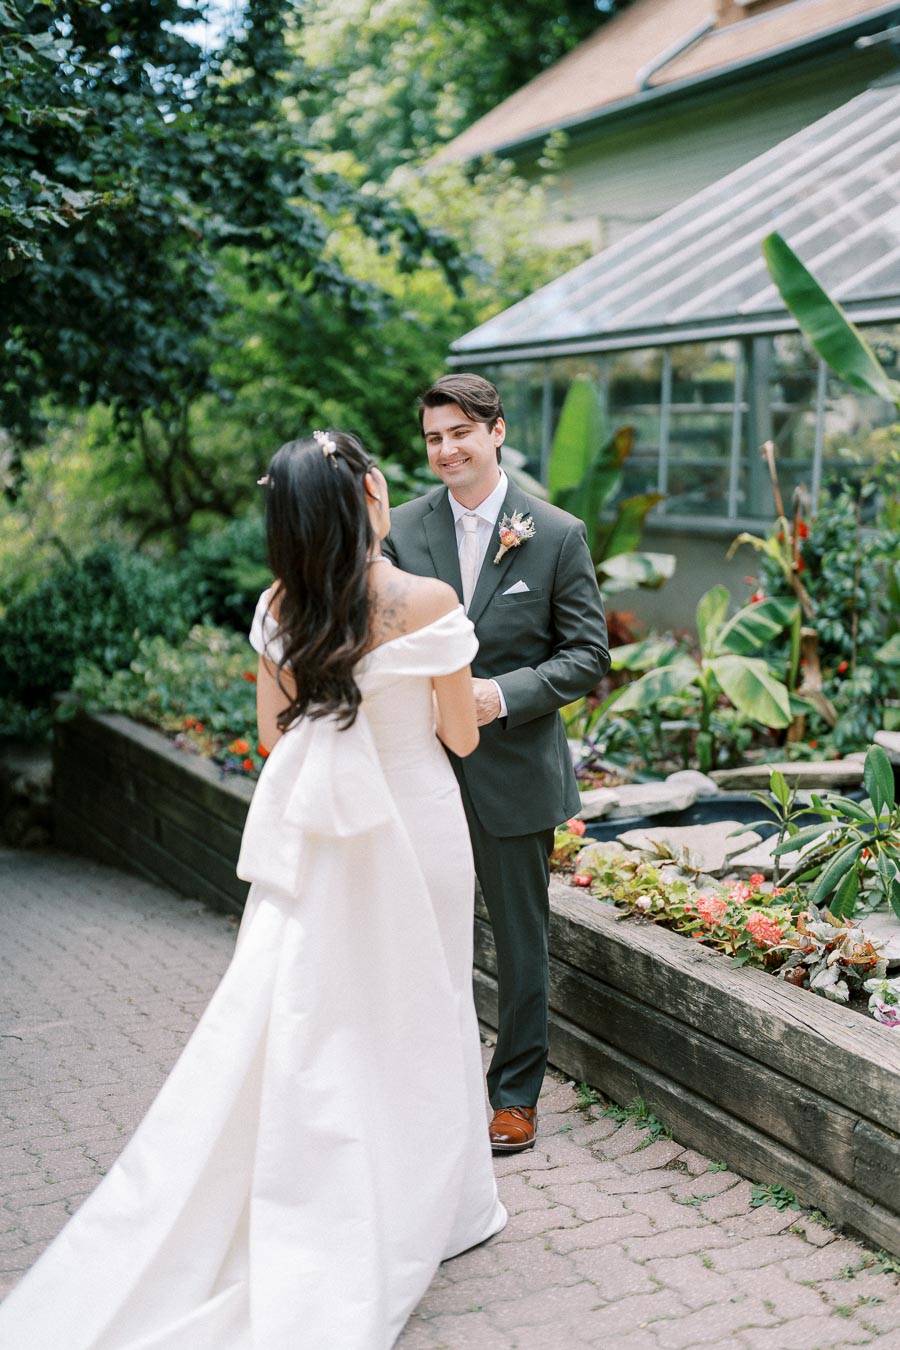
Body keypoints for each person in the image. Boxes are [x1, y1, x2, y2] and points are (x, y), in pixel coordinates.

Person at [0, 430, 506, 1350]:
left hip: (326, 834)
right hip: (421, 824)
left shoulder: (281, 605)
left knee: (328, 1009)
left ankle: (326, 1176)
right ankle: (442, 1201)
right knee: (425, 1002)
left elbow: (276, 737)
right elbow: (462, 741)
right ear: (365, 499)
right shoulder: (427, 599)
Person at [383, 374, 609, 1155]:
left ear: (496, 432)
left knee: (520, 944)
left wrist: (502, 696)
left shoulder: (555, 533)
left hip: (513, 772)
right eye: (432, 439)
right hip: (420, 767)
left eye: (458, 434)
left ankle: (514, 1096)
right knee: (416, 935)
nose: (445, 450)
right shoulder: (401, 529)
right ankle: (421, 1087)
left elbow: (587, 655)